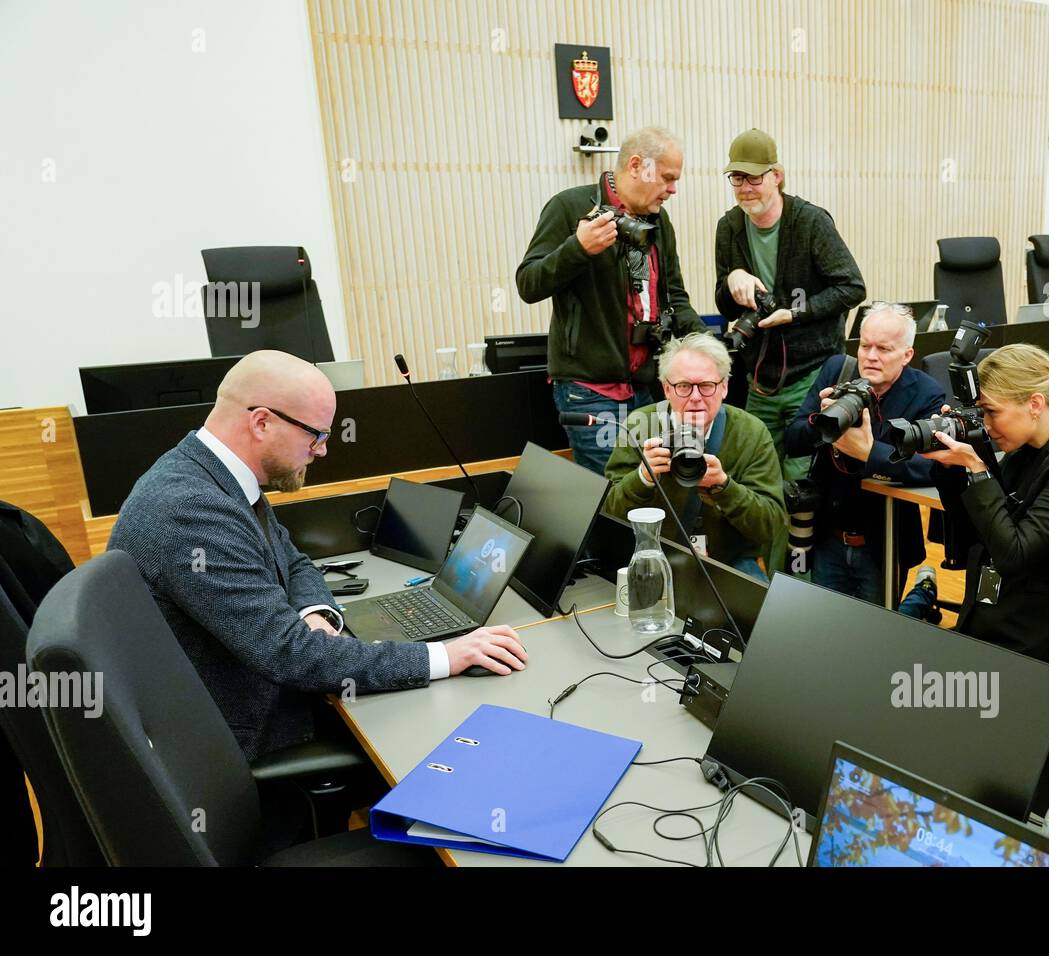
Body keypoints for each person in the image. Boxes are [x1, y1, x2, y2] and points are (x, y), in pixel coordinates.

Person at [108, 351, 527, 762]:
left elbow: (293, 561)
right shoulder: (192, 509)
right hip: (236, 732)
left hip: (249, 683)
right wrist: (447, 656)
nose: (323, 450)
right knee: (438, 738)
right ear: (261, 422)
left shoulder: (216, 474)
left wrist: (317, 613)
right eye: (317, 435)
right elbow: (290, 655)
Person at [517, 126, 706, 474]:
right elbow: (528, 284)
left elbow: (674, 296)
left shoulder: (659, 221)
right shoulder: (569, 206)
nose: (673, 189)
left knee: (651, 490)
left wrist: (707, 350)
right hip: (590, 390)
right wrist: (578, 249)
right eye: (666, 178)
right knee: (614, 498)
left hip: (647, 387)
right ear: (636, 166)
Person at [923, 343, 1049, 669]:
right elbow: (974, 535)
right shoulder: (1021, 451)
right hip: (983, 621)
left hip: (1028, 642)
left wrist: (978, 469)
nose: (987, 424)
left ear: (1034, 404)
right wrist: (952, 467)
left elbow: (1014, 553)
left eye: (992, 412)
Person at [714, 128, 865, 481]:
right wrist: (732, 278)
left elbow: (852, 287)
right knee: (755, 474)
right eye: (737, 178)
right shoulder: (729, 227)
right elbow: (725, 305)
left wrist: (795, 314)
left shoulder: (810, 222)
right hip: (760, 378)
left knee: (801, 479)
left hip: (811, 374)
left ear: (776, 176)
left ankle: (800, 538)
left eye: (753, 177)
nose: (745, 187)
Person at [785, 303, 945, 610]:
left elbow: (932, 469)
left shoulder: (927, 394)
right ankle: (923, 594)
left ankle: (921, 596)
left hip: (884, 544)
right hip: (827, 536)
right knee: (825, 627)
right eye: (865, 345)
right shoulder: (838, 369)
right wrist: (823, 422)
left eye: (883, 349)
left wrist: (869, 452)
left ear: (907, 355)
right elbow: (792, 440)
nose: (870, 356)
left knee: (876, 638)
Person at [603, 333, 785, 582]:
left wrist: (724, 486)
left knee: (763, 618)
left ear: (724, 387)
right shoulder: (639, 425)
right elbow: (608, 515)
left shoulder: (751, 432)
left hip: (727, 561)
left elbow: (770, 526)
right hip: (656, 556)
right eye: (684, 386)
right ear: (667, 389)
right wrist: (642, 478)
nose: (696, 397)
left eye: (707, 385)